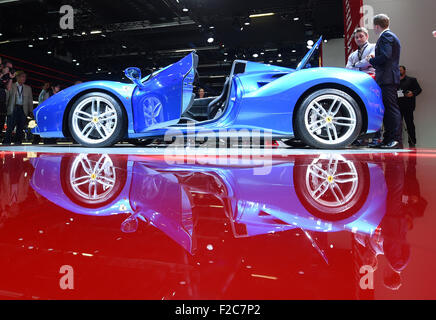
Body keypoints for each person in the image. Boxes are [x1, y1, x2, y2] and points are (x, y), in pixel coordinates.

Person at [367, 14, 402, 149]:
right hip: (387, 78)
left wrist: (371, 60)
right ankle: (388, 139)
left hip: (388, 78)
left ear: (376, 26)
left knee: (391, 109)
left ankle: (395, 140)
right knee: (388, 109)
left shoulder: (386, 36)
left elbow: (386, 57)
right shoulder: (389, 36)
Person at [346, 27, 381, 147]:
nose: (359, 39)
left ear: (366, 36)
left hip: (372, 81)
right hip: (358, 83)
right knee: (360, 109)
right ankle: (359, 138)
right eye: (356, 37)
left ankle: (377, 138)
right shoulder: (353, 54)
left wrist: (357, 65)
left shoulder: (374, 47)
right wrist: (363, 64)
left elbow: (371, 61)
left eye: (361, 36)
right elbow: (348, 69)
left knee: (374, 109)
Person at [2, 71, 33, 145]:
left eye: (25, 77)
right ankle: (6, 141)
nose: (24, 78)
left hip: (23, 109)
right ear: (17, 77)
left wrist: (31, 111)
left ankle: (18, 142)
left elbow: (30, 100)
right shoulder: (11, 85)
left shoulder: (28, 88)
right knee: (10, 127)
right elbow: (7, 98)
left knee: (20, 127)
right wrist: (6, 108)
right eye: (22, 76)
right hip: (13, 107)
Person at [398, 66, 422, 147]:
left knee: (410, 124)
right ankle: (398, 141)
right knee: (397, 125)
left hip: (408, 106)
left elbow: (419, 90)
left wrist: (412, 93)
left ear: (404, 71)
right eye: (398, 70)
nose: (399, 71)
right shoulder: (395, 81)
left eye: (400, 70)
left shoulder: (412, 80)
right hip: (397, 107)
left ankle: (412, 142)